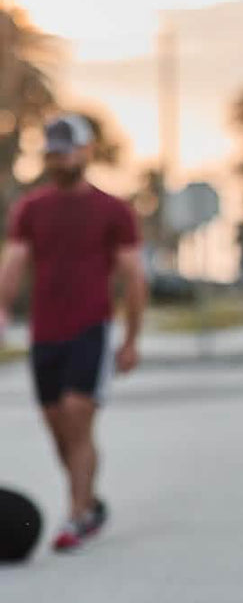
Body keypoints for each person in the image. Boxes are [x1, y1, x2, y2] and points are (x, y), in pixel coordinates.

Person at [0, 115, 146, 553]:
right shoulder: (31, 209)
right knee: (58, 426)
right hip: (45, 333)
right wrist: (2, 310)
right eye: (54, 150)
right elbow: (14, 264)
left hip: (91, 329)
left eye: (68, 148)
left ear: (86, 151)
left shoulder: (113, 211)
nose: (60, 157)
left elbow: (133, 277)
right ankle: (89, 500)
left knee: (77, 415)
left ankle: (76, 515)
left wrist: (131, 339)